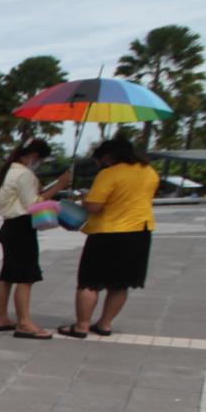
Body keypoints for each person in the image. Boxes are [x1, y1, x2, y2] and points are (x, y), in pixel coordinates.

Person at [59, 137, 159, 339]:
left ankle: (81, 326)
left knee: (90, 281)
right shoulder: (149, 172)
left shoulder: (109, 174)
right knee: (121, 283)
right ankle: (105, 324)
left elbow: (94, 206)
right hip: (140, 232)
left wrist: (85, 199)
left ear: (107, 157)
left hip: (108, 233)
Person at [0, 139, 72, 339]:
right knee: (25, 277)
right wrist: (59, 186)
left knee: (7, 275)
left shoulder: (7, 171)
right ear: (35, 156)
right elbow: (33, 204)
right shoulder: (24, 174)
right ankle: (24, 322)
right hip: (21, 228)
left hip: (9, 226)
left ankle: (1, 318)